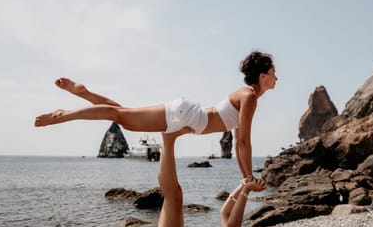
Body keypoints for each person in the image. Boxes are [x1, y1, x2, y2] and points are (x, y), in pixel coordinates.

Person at [34, 51, 278, 181]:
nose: (276, 78)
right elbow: (243, 141)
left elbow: (238, 142)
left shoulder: (246, 95)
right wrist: (247, 177)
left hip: (188, 115)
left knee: (124, 115)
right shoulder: (249, 97)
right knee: (121, 116)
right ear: (263, 76)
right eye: (273, 73)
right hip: (186, 117)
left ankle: (85, 93)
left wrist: (247, 177)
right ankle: (63, 115)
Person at [152, 127, 284, 227]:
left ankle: (168, 139)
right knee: (177, 196)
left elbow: (233, 226)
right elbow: (225, 213)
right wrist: (242, 185)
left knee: (174, 196)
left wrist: (246, 191)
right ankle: (168, 139)